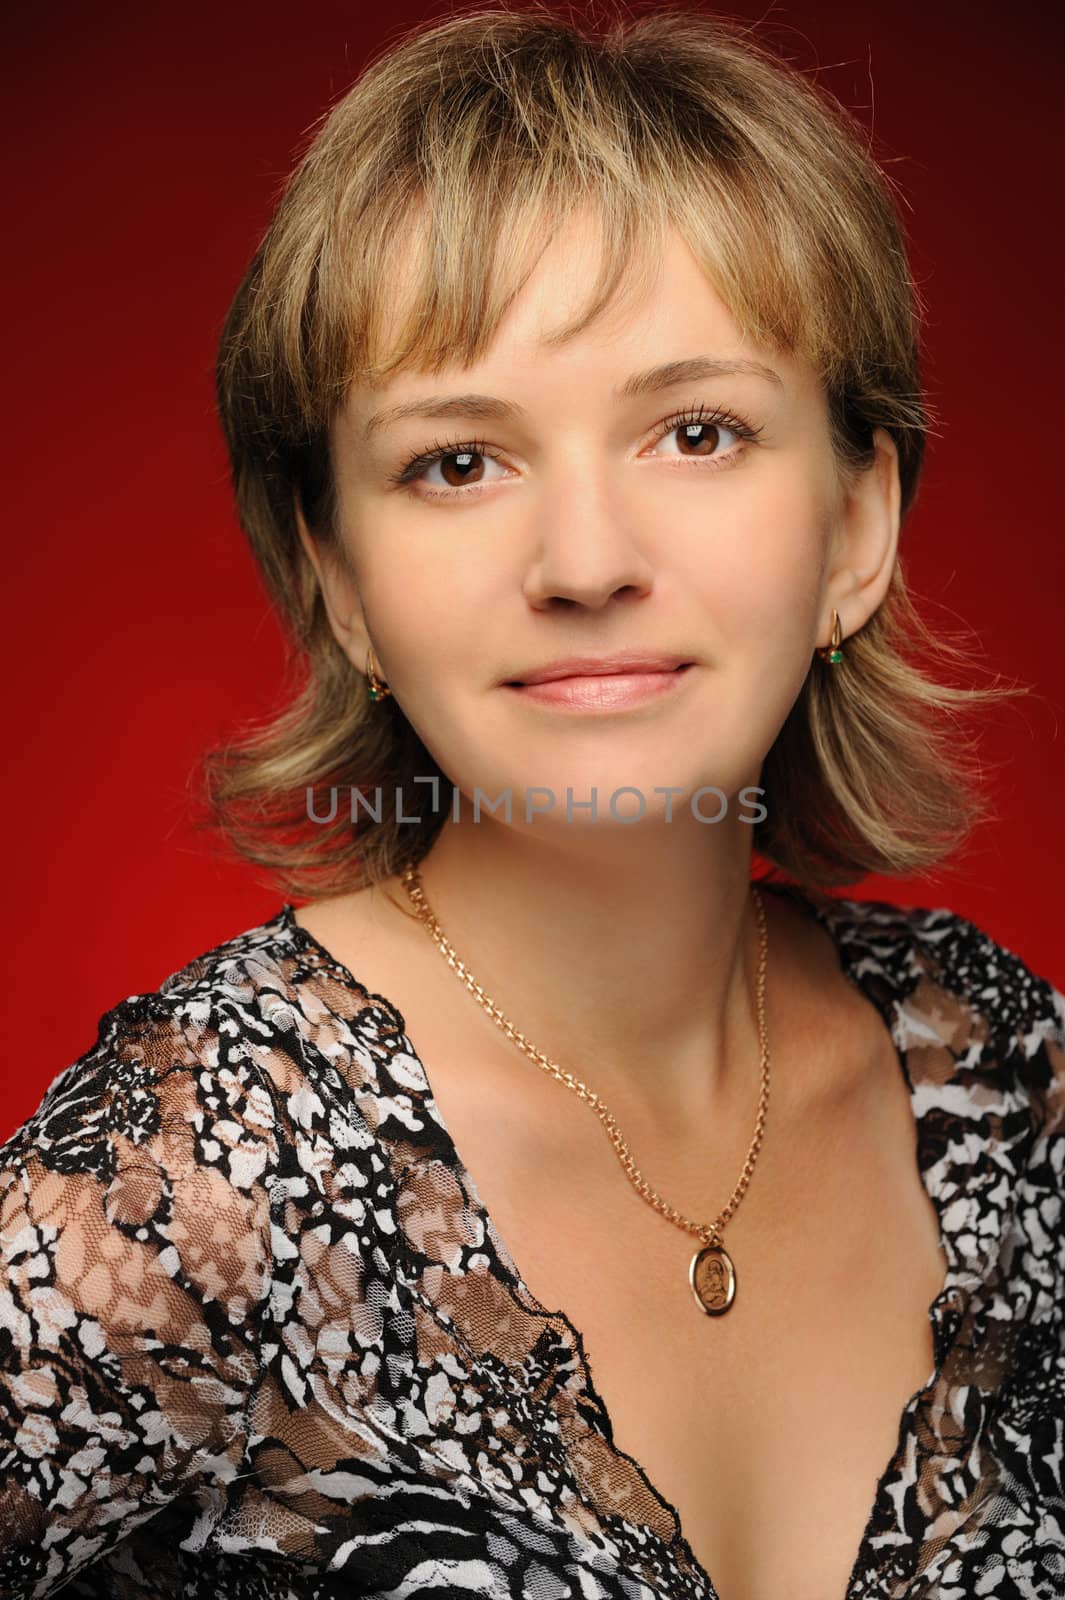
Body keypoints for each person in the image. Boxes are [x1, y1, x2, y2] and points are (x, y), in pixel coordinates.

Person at [2, 6, 1063, 1599]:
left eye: (695, 432)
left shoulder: (1013, 1081)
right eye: (455, 462)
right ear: (338, 580)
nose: (582, 563)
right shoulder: (197, 1185)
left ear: (855, 527)